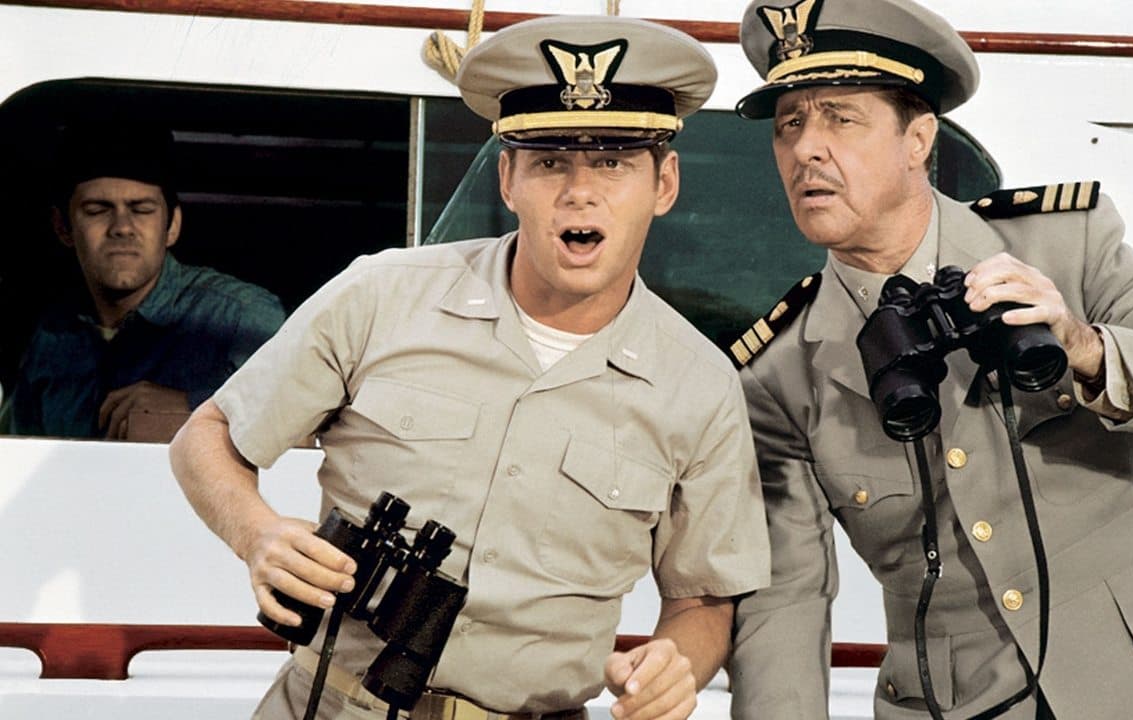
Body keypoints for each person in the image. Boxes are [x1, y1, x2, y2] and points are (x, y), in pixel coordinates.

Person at [169, 15, 769, 720]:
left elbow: (703, 599)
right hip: (330, 704)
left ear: (664, 183)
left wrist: (676, 666)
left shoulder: (699, 386)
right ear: (508, 178)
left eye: (614, 162)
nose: (580, 192)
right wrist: (259, 534)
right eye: (549, 162)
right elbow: (208, 436)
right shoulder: (382, 294)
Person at [724, 1, 1133, 719]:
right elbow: (785, 608)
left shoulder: (1064, 249)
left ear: (918, 138)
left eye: (841, 118)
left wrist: (1083, 347)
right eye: (789, 124)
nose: (807, 149)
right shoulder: (780, 375)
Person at [6, 121, 285, 439]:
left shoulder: (240, 318)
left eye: (141, 210)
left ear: (172, 225)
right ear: (63, 227)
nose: (122, 227)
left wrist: (191, 410)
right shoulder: (52, 337)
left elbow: (299, 429)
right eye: (97, 210)